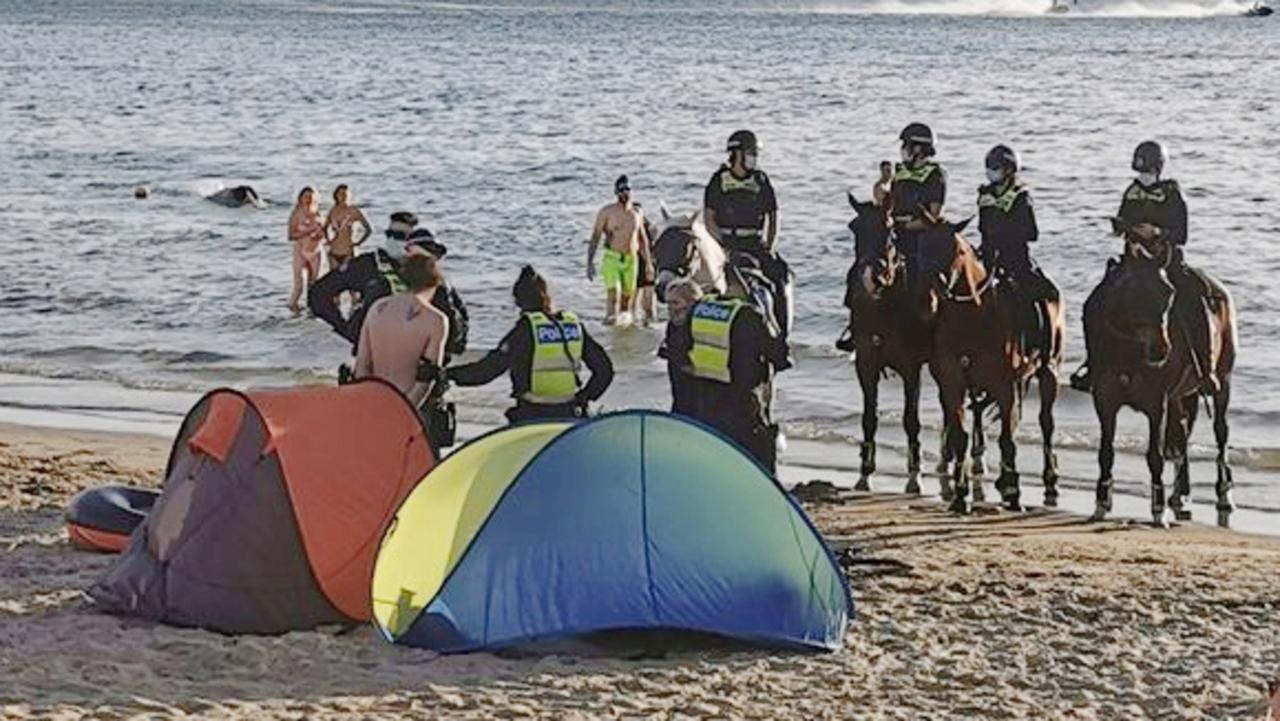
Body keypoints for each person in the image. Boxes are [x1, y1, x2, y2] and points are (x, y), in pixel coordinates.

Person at [1071, 140, 1216, 393]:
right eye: (1140, 171)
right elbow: (1124, 219)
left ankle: (1206, 369)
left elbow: (1182, 233)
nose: (1143, 176)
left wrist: (1158, 232)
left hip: (1166, 260)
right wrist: (1124, 229)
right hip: (1134, 261)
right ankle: (1093, 364)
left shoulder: (1172, 193)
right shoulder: (1132, 191)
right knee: (1093, 304)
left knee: (1195, 300)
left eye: (1147, 170)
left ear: (1158, 169)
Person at [667, 262, 791, 473]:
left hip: (703, 408)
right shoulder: (751, 316)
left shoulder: (698, 311)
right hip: (743, 409)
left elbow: (678, 355)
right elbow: (780, 357)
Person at [448, 266, 613, 423]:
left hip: (532, 415)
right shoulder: (572, 325)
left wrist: (449, 374)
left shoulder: (525, 330)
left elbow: (488, 370)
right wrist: (584, 398)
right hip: (570, 414)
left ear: (518, 301)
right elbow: (604, 370)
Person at [309, 212, 469, 362]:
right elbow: (318, 294)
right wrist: (346, 330)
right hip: (375, 356)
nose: (393, 240)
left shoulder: (436, 280)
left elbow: (459, 328)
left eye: (400, 236)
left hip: (422, 358)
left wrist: (441, 357)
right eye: (389, 234)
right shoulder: (368, 265)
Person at [702, 130, 792, 338]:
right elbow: (709, 218)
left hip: (754, 243)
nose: (754, 158)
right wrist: (721, 247)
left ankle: (781, 338)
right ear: (737, 154)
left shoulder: (760, 180)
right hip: (725, 244)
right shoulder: (718, 181)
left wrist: (770, 245)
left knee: (780, 278)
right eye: (750, 153)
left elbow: (773, 215)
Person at [977, 144, 1059, 355]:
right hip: (988, 257)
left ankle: (1038, 348)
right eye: (990, 167)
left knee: (1034, 299)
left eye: (996, 168)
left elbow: (1032, 233)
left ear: (1009, 170)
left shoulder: (1021, 197)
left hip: (1015, 259)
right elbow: (983, 230)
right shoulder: (984, 196)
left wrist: (1004, 228)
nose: (991, 172)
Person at [353, 254, 449, 410]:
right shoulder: (435, 319)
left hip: (373, 397)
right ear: (434, 282)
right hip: (407, 403)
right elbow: (426, 378)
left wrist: (366, 402)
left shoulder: (378, 307)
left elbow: (362, 365)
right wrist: (403, 412)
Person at [587, 175, 651, 325]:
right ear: (616, 192)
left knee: (627, 298)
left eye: (627, 189)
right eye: (621, 190)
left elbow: (642, 239)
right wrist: (589, 263)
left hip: (631, 259)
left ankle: (622, 333)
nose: (624, 193)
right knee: (613, 294)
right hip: (612, 258)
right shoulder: (606, 212)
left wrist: (648, 263)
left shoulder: (636, 213)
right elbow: (595, 237)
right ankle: (609, 324)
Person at [889, 123, 947, 280]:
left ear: (919, 149)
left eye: (906, 145)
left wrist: (905, 226)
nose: (903, 149)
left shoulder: (935, 175)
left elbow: (934, 215)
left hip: (920, 235)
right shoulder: (900, 172)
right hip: (896, 231)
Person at [658, 278, 704, 415]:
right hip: (679, 391)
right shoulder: (673, 325)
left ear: (692, 302)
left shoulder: (701, 325)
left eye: (675, 303)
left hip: (700, 392)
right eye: (668, 304)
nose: (671, 309)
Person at [288, 186, 325, 315]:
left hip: (315, 251)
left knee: (314, 284)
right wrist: (308, 232)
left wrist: (319, 235)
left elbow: (324, 233)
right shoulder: (297, 213)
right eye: (306, 196)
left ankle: (311, 310)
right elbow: (290, 236)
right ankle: (292, 308)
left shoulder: (318, 213)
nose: (309, 199)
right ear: (301, 198)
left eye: (311, 196)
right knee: (299, 284)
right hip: (300, 250)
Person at [322, 184, 371, 269]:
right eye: (341, 194)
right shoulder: (333, 210)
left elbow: (368, 229)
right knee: (335, 279)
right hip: (334, 252)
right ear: (336, 196)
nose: (343, 197)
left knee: (348, 278)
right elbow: (325, 227)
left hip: (348, 251)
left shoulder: (353, 211)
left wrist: (358, 242)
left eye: (345, 194)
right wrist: (328, 240)